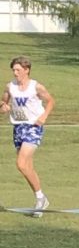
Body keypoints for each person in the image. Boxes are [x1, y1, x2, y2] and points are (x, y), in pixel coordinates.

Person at [1, 56, 55, 217]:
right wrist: (3, 107)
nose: (15, 73)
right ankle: (40, 198)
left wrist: (44, 116)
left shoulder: (36, 87)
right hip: (18, 128)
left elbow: (51, 101)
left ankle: (40, 198)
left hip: (33, 127)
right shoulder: (10, 87)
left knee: (21, 163)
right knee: (27, 166)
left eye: (18, 70)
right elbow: (4, 103)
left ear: (27, 70)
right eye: (13, 70)